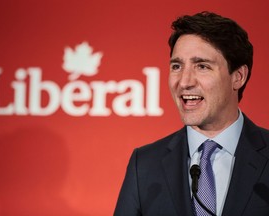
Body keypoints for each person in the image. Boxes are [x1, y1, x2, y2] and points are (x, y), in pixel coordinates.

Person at [114, 11, 269, 216]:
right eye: (177, 66)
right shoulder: (144, 164)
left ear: (238, 77)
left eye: (202, 66)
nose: (185, 82)